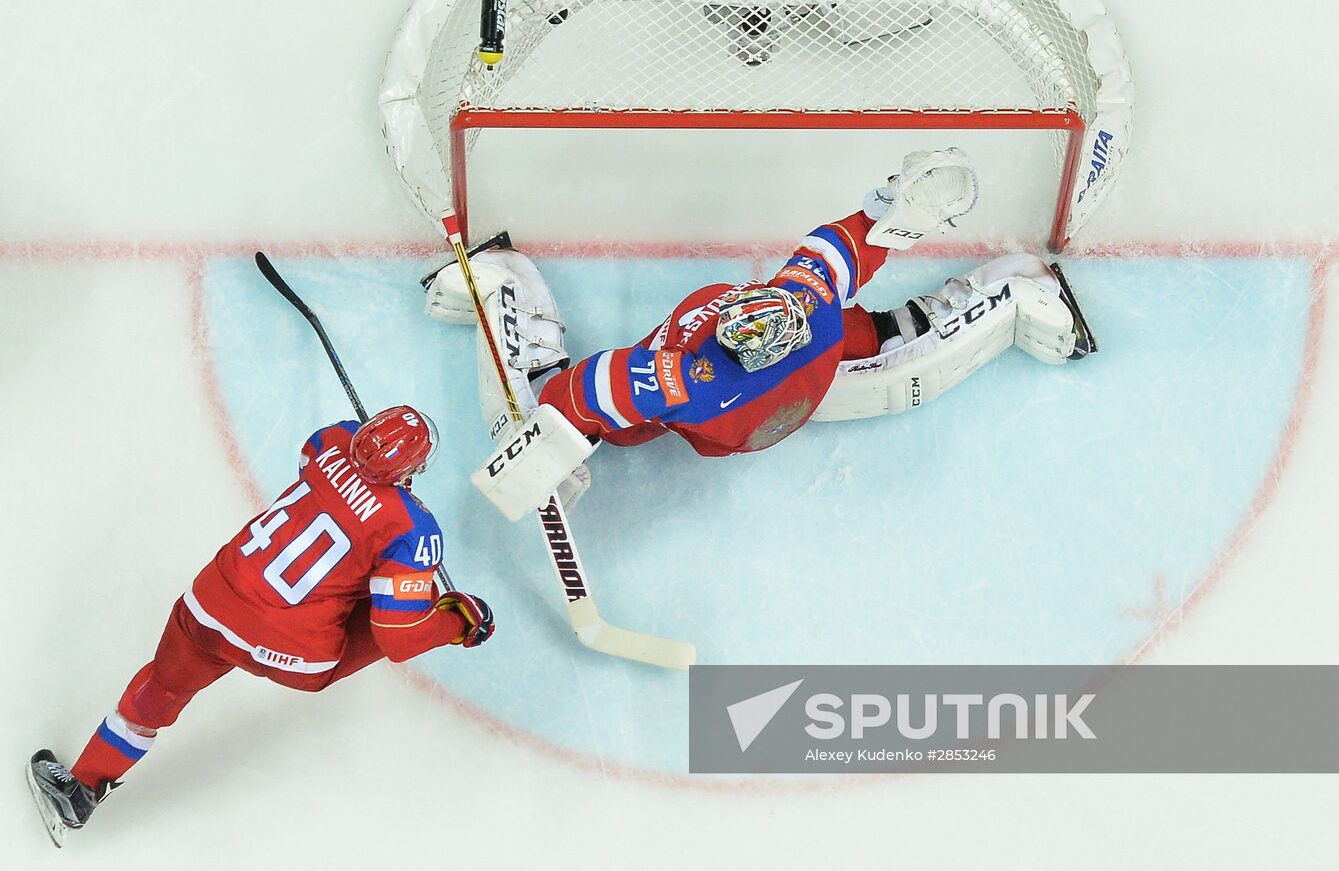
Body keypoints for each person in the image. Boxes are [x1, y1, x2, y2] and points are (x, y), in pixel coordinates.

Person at [426, 149, 1095, 522]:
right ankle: (1011, 291)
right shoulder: (770, 323)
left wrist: (547, 447)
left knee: (892, 364)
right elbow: (845, 247)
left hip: (736, 416)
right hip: (772, 399)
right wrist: (554, 445)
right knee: (886, 347)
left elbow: (575, 393)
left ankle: (503, 282)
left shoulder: (718, 353)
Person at [26, 406, 494, 847]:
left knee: (161, 689)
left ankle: (83, 788)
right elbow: (398, 641)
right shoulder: (413, 530)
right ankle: (433, 606)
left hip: (209, 609)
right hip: (295, 657)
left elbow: (311, 463)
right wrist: (456, 620)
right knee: (412, 599)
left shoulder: (334, 438)